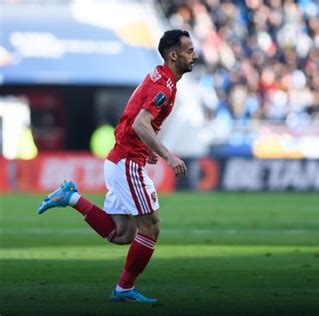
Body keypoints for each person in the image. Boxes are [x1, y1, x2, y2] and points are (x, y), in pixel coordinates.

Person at [37, 29, 198, 303]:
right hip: (126, 163)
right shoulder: (164, 86)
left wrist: (145, 148)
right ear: (174, 55)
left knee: (123, 234)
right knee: (151, 228)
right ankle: (123, 289)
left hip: (123, 159)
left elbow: (133, 116)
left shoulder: (159, 76)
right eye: (189, 50)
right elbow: (139, 123)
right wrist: (169, 156)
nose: (194, 54)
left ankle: (72, 197)